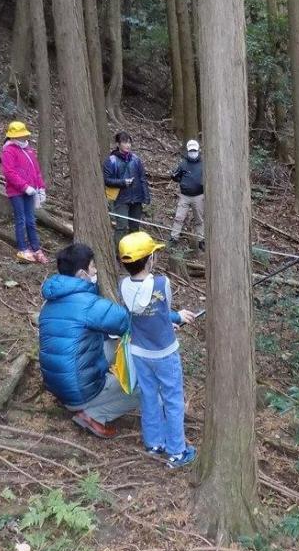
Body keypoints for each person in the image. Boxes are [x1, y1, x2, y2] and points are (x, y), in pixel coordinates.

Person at [38, 243, 138, 438]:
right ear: (83, 274)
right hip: (79, 392)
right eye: (93, 267)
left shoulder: (50, 301)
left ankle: (87, 399)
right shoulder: (87, 304)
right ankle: (94, 415)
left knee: (113, 345)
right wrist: (170, 319)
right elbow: (127, 321)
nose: (96, 271)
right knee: (144, 383)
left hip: (59, 386)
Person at [118, 232, 197, 468]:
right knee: (173, 400)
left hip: (139, 353)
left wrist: (167, 320)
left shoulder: (122, 285)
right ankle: (176, 451)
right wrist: (178, 317)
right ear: (150, 259)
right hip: (165, 353)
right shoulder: (162, 283)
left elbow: (139, 313)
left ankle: (154, 443)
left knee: (149, 396)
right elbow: (165, 308)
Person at [0, 121, 48, 264]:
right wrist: (24, 186)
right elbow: (9, 172)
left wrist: (41, 188)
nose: (22, 139)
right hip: (16, 191)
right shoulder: (8, 150)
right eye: (19, 136)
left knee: (31, 220)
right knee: (20, 220)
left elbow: (36, 171)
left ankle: (36, 248)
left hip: (31, 191)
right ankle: (22, 248)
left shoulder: (28, 149)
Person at [103, 132, 150, 246]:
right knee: (122, 227)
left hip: (137, 198)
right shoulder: (111, 160)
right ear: (118, 144)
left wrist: (146, 196)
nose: (128, 145)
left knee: (135, 228)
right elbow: (106, 180)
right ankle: (118, 254)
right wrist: (122, 182)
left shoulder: (136, 159)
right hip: (121, 199)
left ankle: (133, 255)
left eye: (129, 142)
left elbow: (142, 178)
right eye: (124, 142)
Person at [169, 139, 205, 250]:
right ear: (188, 151)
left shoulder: (203, 164)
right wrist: (179, 179)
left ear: (198, 150)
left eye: (194, 150)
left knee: (199, 219)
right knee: (179, 217)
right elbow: (175, 176)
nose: (193, 152)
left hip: (199, 195)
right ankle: (174, 238)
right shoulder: (183, 164)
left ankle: (201, 240)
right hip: (184, 196)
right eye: (191, 151)